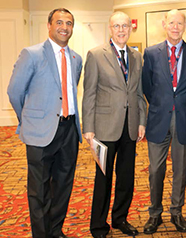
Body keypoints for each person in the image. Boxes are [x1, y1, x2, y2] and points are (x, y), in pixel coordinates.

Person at [7, 8, 82, 238]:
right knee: (38, 190)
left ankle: (56, 230)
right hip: (40, 131)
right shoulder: (31, 54)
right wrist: (29, 119)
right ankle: (41, 234)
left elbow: (69, 91)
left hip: (69, 130)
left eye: (69, 23)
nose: (64, 27)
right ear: (49, 25)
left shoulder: (77, 58)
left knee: (63, 186)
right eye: (59, 22)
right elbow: (14, 91)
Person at [82, 11, 147, 238]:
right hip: (103, 128)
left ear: (131, 29)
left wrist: (141, 122)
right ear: (110, 29)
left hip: (129, 128)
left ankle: (120, 218)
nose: (121, 30)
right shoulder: (95, 55)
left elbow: (138, 93)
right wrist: (88, 128)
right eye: (117, 26)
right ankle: (98, 225)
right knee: (103, 178)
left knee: (126, 177)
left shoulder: (137, 57)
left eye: (125, 26)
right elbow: (89, 94)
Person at [142, 9, 186, 234]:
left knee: (181, 170)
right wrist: (162, 104)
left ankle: (176, 212)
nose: (175, 27)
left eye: (180, 23)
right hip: (158, 119)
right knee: (155, 170)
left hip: (184, 120)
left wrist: (183, 104)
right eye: (171, 23)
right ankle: (154, 213)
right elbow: (147, 87)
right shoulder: (150, 53)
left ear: (184, 25)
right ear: (164, 24)